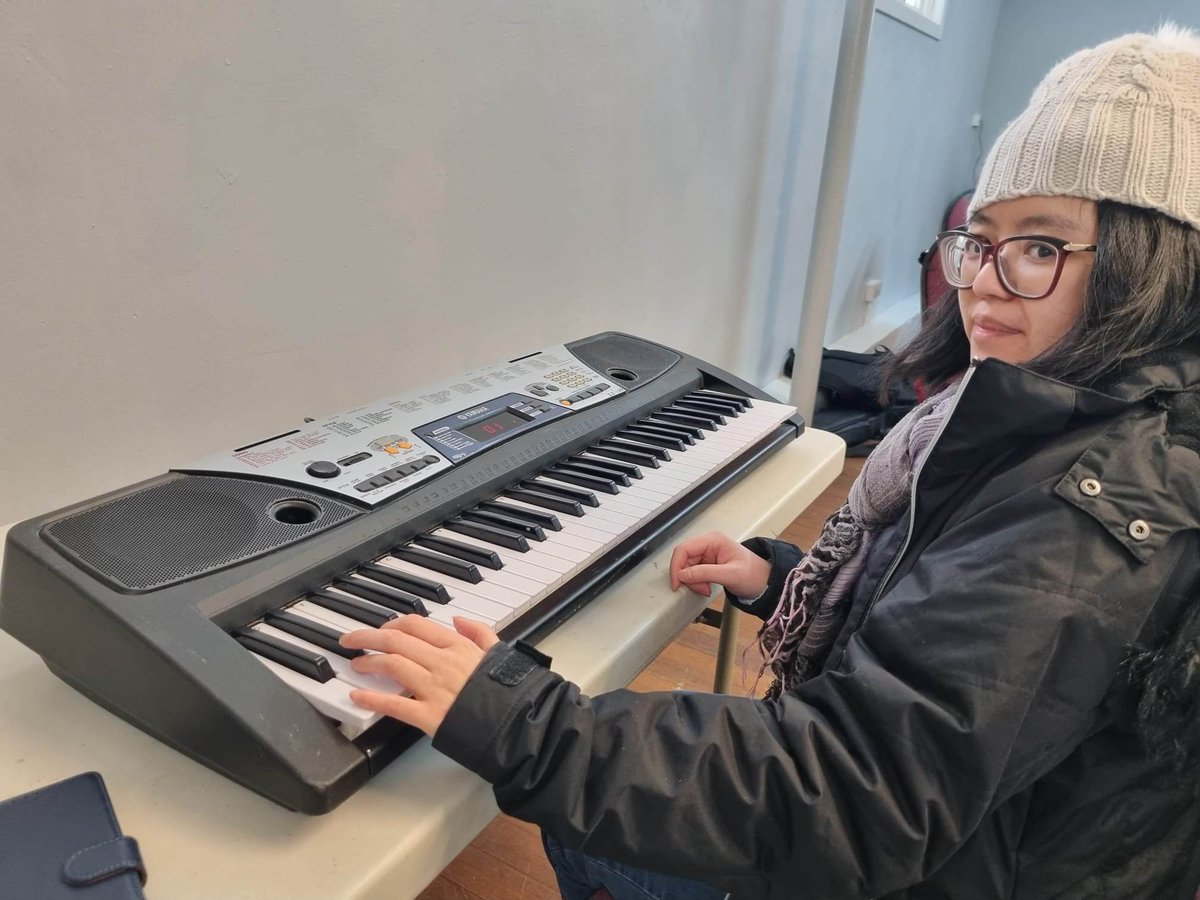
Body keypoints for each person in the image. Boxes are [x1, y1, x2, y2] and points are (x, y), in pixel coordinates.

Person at [340, 25, 1200, 899]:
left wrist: (525, 722)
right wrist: (783, 579)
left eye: (1040, 247)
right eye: (980, 240)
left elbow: (851, 787)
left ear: (1152, 265)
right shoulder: (1082, 430)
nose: (981, 280)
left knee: (576, 827)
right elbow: (963, 645)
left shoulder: (1087, 507)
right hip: (991, 849)